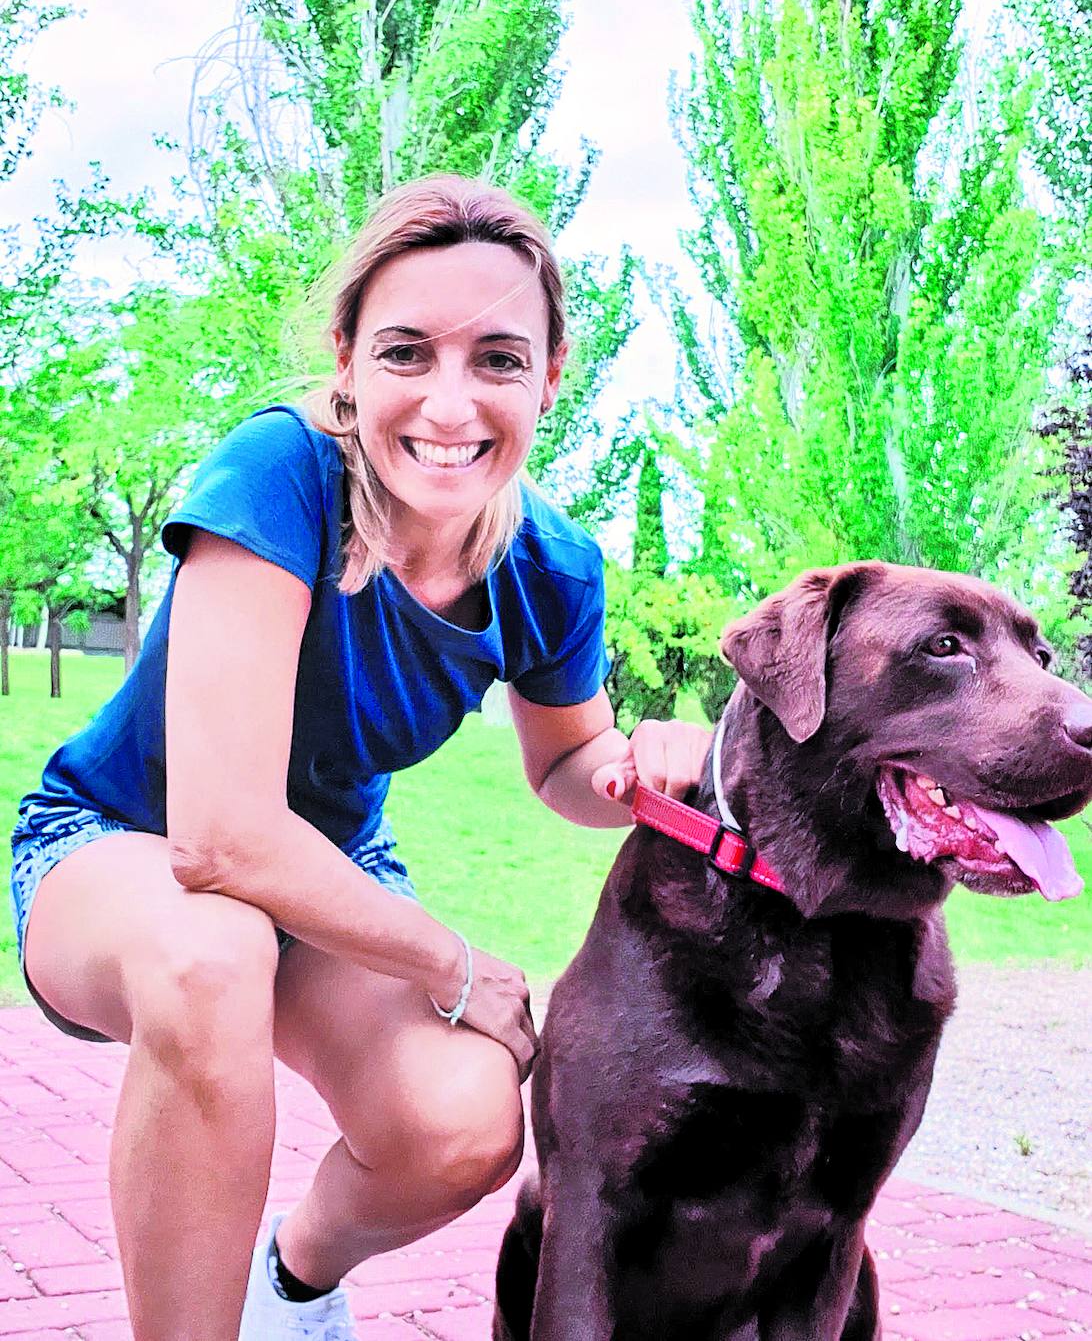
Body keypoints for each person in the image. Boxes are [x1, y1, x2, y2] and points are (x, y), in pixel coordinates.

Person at [8, 175, 711, 1341]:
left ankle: (289, 1286)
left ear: (550, 375)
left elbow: (566, 763)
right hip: (121, 848)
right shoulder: (281, 473)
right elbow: (219, 838)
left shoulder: (552, 566)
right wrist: (451, 963)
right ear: (345, 360)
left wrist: (651, 767)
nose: (449, 400)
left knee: (463, 1124)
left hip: (326, 876)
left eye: (497, 358)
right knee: (210, 947)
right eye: (404, 353)